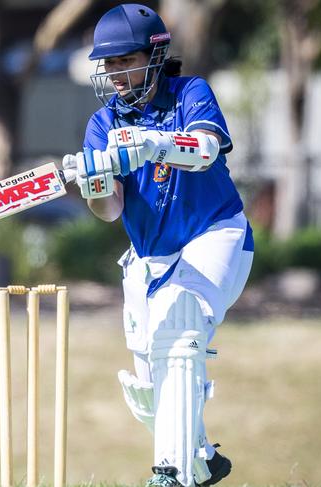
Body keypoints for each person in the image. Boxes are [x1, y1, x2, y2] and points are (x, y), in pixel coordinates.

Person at [62, 4, 254, 487]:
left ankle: (168, 474)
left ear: (154, 54)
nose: (116, 74)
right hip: (150, 257)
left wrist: (153, 144)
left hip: (216, 233)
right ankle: (202, 459)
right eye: (108, 64)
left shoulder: (191, 93)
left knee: (179, 326)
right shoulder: (100, 126)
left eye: (125, 60)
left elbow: (207, 150)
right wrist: (95, 183)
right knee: (150, 387)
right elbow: (109, 212)